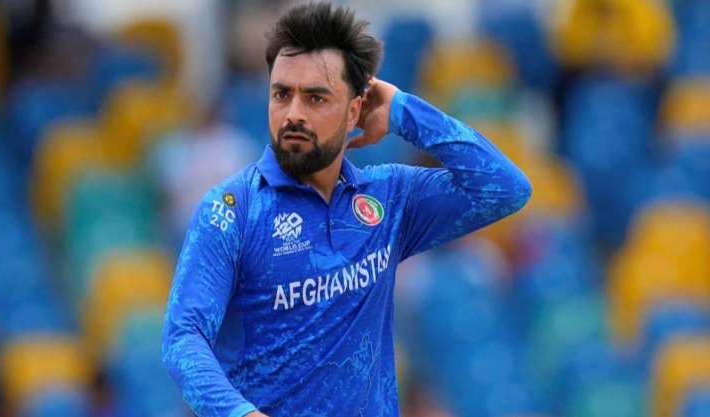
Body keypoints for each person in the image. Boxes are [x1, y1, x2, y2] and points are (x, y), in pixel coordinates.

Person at [161, 3, 532, 417]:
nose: (293, 114)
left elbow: (506, 188)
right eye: (282, 94)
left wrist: (402, 110)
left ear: (354, 110)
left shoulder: (389, 198)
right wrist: (240, 414)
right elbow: (182, 338)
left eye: (315, 98)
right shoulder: (232, 211)